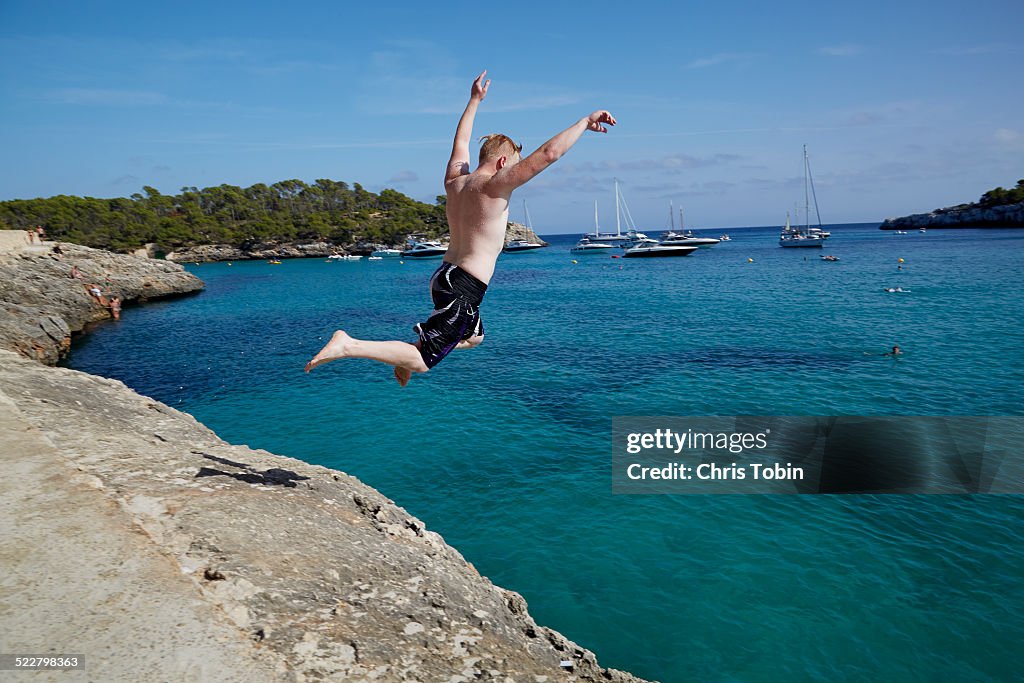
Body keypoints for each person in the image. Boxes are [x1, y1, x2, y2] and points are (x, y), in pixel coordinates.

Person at [306, 71, 616, 386]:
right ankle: (349, 345)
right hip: (462, 286)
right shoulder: (496, 185)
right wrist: (583, 122)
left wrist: (474, 100)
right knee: (426, 361)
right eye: (514, 165)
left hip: (445, 277)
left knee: (474, 336)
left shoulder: (454, 181)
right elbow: (549, 154)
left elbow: (461, 141)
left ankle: (404, 357)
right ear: (502, 163)